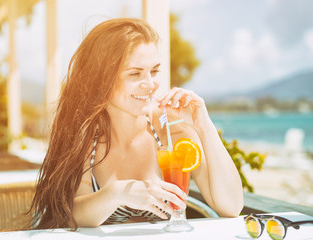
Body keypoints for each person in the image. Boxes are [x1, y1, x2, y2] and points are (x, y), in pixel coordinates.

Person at [30, 18, 244, 230]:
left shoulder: (172, 131)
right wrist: (118, 193)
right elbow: (73, 216)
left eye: (154, 71)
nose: (150, 84)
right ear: (101, 78)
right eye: (135, 73)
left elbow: (231, 206)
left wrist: (204, 126)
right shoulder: (85, 136)